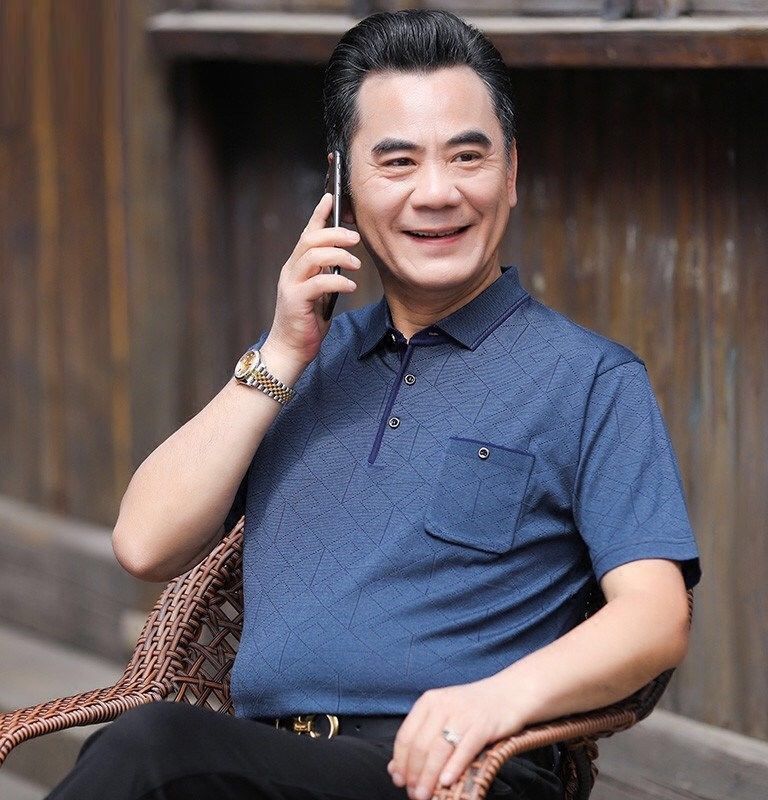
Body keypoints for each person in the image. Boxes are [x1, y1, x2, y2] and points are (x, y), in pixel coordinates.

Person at [45, 9, 700, 800]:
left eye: (468, 156)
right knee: (158, 753)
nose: (438, 192)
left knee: (153, 748)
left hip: (453, 770)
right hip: (263, 763)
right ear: (343, 187)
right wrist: (281, 353)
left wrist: (495, 701)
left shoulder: (591, 379)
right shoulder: (299, 365)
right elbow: (144, 541)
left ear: (511, 173)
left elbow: (656, 617)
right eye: (398, 162)